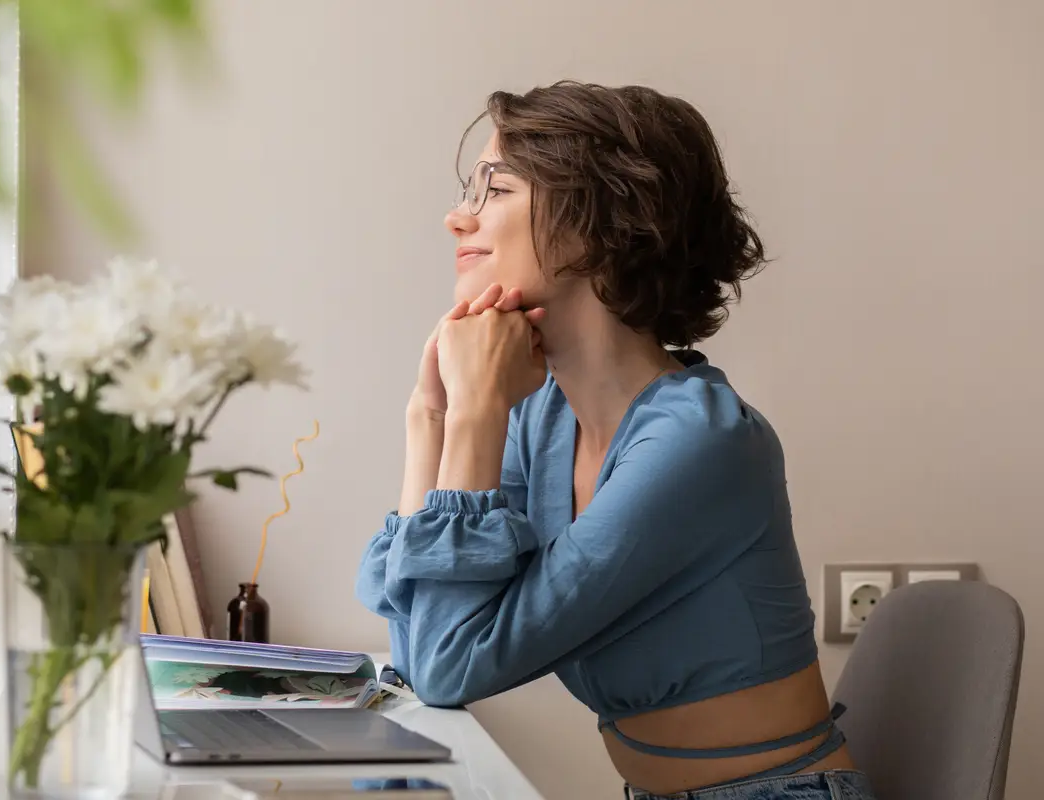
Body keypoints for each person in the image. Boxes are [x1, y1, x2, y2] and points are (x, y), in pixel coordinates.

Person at [355, 81, 878, 800]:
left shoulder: (700, 444)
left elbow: (449, 666)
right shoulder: (542, 417)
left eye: (495, 189)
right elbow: (420, 651)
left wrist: (475, 413)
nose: (457, 217)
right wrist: (432, 418)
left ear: (600, 224)